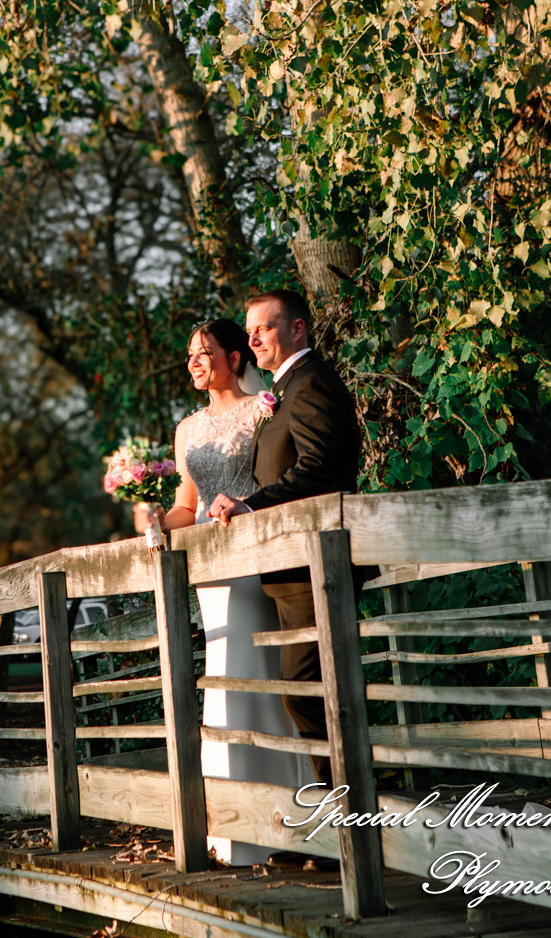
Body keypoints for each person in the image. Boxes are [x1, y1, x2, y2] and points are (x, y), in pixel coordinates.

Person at [140, 318, 309, 866]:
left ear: (235, 358)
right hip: (210, 572)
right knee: (222, 684)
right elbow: (189, 504)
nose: (194, 361)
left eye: (205, 352)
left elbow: (276, 477)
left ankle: (286, 821)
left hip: (256, 562)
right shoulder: (186, 428)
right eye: (189, 353)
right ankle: (230, 830)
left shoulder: (264, 404)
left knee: (257, 682)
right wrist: (156, 523)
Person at [207, 289, 363, 788]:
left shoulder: (311, 383)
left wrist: (251, 505)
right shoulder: (287, 386)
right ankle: (335, 808)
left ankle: (348, 812)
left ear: (297, 329)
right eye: (249, 329)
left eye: (264, 328)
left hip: (313, 561)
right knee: (308, 692)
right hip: (289, 564)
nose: (253, 337)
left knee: (309, 692)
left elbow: (317, 471)